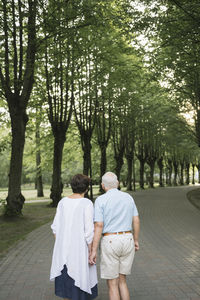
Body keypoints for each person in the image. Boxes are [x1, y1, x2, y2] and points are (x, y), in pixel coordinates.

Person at [90, 172, 140, 300]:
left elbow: (99, 225)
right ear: (117, 183)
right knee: (122, 281)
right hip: (127, 239)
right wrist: (135, 240)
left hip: (110, 240)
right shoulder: (128, 197)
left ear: (102, 186)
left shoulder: (100, 200)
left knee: (112, 284)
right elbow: (136, 220)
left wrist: (93, 250)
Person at [50, 174, 98, 300]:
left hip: (63, 254)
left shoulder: (62, 202)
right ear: (87, 188)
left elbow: (55, 228)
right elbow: (89, 232)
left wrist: (62, 244)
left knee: (66, 290)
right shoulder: (87, 203)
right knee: (78, 288)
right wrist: (91, 251)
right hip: (79, 253)